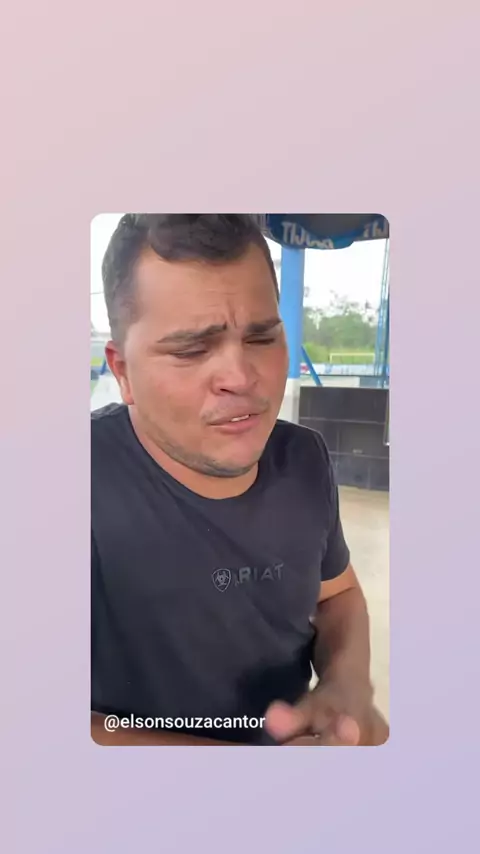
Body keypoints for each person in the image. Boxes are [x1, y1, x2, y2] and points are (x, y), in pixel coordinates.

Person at [91, 214, 388, 747]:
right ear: (123, 371)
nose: (241, 377)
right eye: (190, 349)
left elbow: (336, 594)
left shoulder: (304, 459)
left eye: (262, 336)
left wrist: (346, 685)